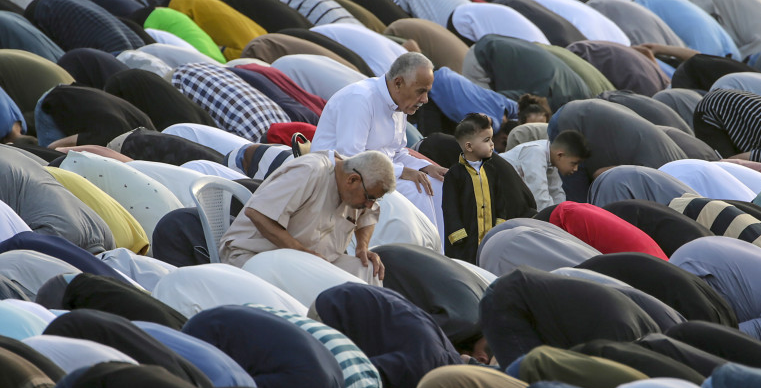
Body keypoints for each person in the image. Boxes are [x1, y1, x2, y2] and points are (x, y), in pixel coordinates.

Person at [310, 52, 448, 236]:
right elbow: (350, 159)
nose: (425, 100)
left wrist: (426, 167)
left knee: (437, 184)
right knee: (417, 190)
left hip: (378, 174)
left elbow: (396, 153)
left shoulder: (399, 102)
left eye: (427, 92)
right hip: (341, 178)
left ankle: (445, 253)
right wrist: (401, 172)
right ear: (398, 83)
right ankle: (430, 252)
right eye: (420, 91)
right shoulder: (360, 99)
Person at [218, 150, 396, 284]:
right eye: (369, 198)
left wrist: (362, 248)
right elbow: (257, 213)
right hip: (255, 255)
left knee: (367, 269)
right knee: (319, 288)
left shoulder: (357, 185)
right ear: (352, 180)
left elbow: (368, 215)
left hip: (314, 263)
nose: (369, 204)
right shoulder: (310, 171)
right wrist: (303, 254)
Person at [442, 113, 536, 263]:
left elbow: (500, 202)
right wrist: (458, 236)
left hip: (490, 237)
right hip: (466, 239)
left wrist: (499, 228)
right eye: (486, 140)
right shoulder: (455, 175)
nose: (492, 144)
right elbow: (450, 208)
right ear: (469, 146)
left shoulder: (492, 171)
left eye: (491, 139)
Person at [500, 130, 590, 210]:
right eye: (574, 163)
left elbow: (556, 192)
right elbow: (539, 198)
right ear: (560, 155)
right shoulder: (535, 152)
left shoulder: (551, 159)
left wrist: (563, 213)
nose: (575, 169)